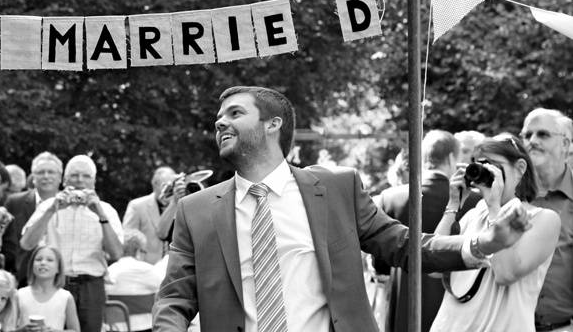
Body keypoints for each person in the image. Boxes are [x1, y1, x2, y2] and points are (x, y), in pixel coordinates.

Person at [153, 85, 535, 332]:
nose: (220, 121)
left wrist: (482, 243)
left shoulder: (337, 188)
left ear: (273, 124)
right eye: (220, 116)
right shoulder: (196, 210)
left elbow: (404, 245)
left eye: (235, 113)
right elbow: (173, 299)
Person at [430, 134, 560, 332]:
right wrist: (453, 206)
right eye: (480, 165)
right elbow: (433, 266)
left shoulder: (543, 220)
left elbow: (505, 273)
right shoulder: (473, 216)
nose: (485, 172)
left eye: (493, 166)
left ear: (520, 169)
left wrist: (494, 207)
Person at [374, 130, 474, 332]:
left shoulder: (390, 198)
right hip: (451, 300)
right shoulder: (473, 200)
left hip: (404, 299)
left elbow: (381, 263)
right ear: (452, 157)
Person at [20, 154, 123, 332]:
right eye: (74, 175)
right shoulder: (48, 206)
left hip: (91, 286)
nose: (80, 181)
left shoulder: (106, 210)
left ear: (94, 182)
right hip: (55, 283)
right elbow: (26, 244)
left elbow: (116, 253)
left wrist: (100, 215)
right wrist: (52, 211)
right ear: (65, 180)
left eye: (86, 176)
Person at [520, 108, 573, 331]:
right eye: (527, 135)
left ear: (566, 144)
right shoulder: (507, 196)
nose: (532, 141)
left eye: (543, 134)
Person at [3, 153, 63, 286]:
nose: (46, 176)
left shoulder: (69, 205)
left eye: (51, 172)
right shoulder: (15, 202)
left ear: (60, 177)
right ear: (33, 177)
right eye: (41, 172)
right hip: (22, 277)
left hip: (59, 278)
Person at [105, 229, 163, 332]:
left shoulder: (109, 272)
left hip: (115, 328)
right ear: (138, 251)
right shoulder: (148, 270)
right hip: (146, 327)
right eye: (144, 251)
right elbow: (165, 290)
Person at [16, 245, 80, 332]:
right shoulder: (20, 295)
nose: (43, 263)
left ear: (58, 268)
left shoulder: (66, 297)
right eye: (38, 259)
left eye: (50, 260)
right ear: (31, 266)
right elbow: (8, 327)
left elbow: (75, 330)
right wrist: (22, 330)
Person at [122, 166, 177, 264]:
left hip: (172, 269)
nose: (170, 190)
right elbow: (127, 239)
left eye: (172, 186)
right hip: (145, 267)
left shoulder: (179, 205)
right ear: (155, 184)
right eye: (165, 185)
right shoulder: (137, 206)